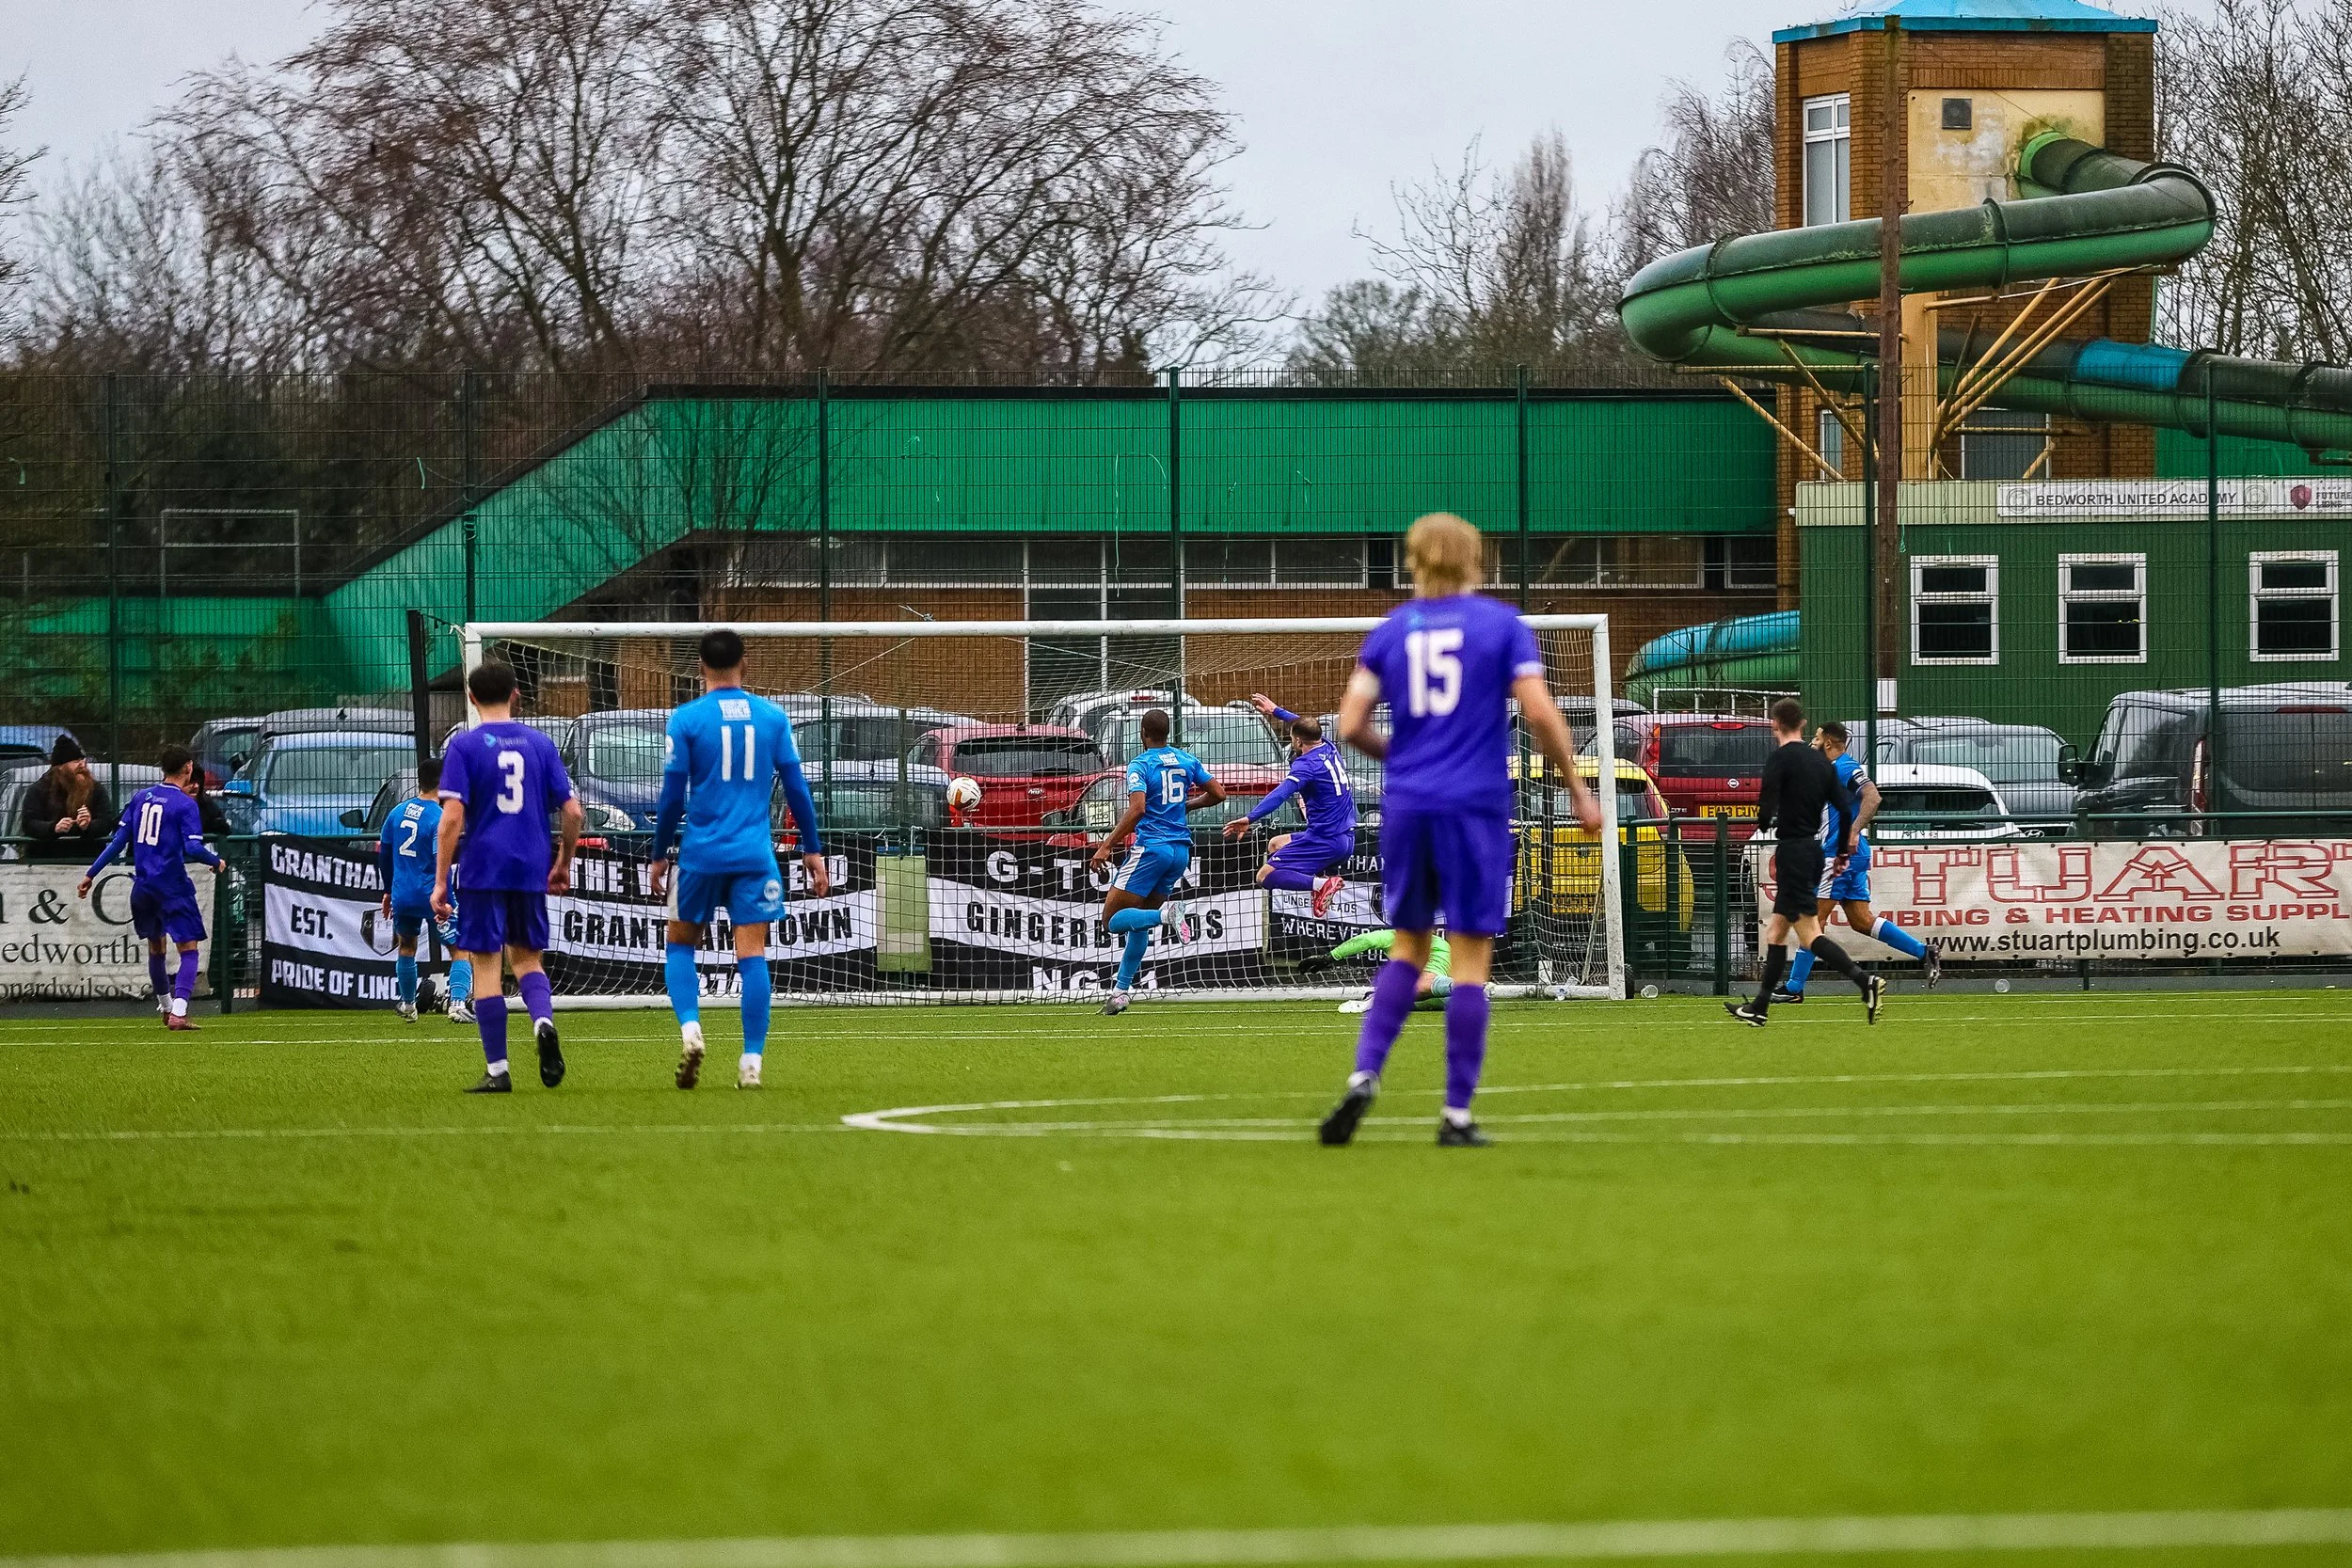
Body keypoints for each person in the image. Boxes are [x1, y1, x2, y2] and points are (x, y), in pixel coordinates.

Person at [1320, 513, 1601, 1148]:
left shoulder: (1391, 632)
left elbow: (1350, 722)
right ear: (1479, 559)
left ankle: (1366, 1074)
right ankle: (1455, 1114)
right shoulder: (1501, 625)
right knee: (1471, 959)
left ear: (1412, 559)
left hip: (1409, 805)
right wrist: (1577, 787)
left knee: (1408, 947)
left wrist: (1407, 760)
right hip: (1475, 803)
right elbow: (1539, 712)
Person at [650, 628, 829, 1091]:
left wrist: (657, 854)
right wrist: (812, 849)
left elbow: (671, 797)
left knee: (680, 945)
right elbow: (797, 789)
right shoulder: (772, 718)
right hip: (755, 855)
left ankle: (691, 1029)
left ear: (699, 669)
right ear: (744, 664)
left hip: (700, 856)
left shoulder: (686, 719)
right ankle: (751, 1061)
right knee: (752, 954)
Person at [433, 662, 584, 1094]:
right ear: (517, 694)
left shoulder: (464, 747)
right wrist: (563, 861)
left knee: (486, 964)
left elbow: (452, 819)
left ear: (472, 697)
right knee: (527, 960)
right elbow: (573, 811)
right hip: (529, 866)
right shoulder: (540, 743)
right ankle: (541, 1022)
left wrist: (441, 880)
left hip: (483, 868)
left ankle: (498, 1070)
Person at [1727, 700, 1883, 1027]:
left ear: (1774, 724)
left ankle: (1864, 982)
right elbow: (1843, 809)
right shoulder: (1821, 762)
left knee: (1809, 934)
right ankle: (1759, 1006)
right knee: (1777, 930)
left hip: (1793, 852)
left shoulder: (1780, 759)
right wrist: (1842, 852)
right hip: (1815, 851)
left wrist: (1768, 817)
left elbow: (1766, 813)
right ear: (1803, 723)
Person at [1773, 721, 1942, 1004]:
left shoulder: (1843, 767)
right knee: (1862, 921)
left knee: (1812, 920)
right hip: (1852, 855)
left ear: (1828, 743)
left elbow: (1873, 797)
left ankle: (1793, 988)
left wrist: (1852, 831)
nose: (1812, 743)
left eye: (1816, 739)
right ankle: (1925, 952)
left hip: (1838, 855)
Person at [1089, 707, 1225, 1016]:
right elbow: (1219, 793)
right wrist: (1184, 807)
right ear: (1167, 733)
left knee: (1112, 920)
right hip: (1179, 853)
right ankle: (1121, 993)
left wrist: (1106, 846)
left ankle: (1168, 915)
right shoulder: (1185, 759)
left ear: (1142, 733)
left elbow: (1137, 810)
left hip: (1152, 849)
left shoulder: (1139, 765)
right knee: (1138, 922)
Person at [76, 745, 223, 1031]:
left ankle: (166, 1009)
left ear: (162, 769)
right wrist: (216, 861)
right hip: (172, 887)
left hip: (143, 887)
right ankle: (179, 1012)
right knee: (189, 949)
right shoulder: (185, 804)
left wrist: (91, 874)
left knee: (156, 948)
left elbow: (118, 842)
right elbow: (193, 847)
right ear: (188, 769)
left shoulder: (140, 798)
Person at [1222, 695, 1357, 917]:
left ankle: (1320, 885)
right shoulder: (1328, 747)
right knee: (1275, 845)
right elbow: (1303, 725)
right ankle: (1318, 883)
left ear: (1297, 742)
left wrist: (1250, 818)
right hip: (1345, 837)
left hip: (1325, 840)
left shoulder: (1306, 765)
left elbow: (1281, 794)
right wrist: (1276, 710)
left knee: (1264, 876)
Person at [378, 757, 447, 1023]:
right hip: (431, 891)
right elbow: (439, 856)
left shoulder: (397, 812)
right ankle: (456, 1003)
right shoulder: (438, 816)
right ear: (442, 783)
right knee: (459, 947)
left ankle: (408, 1005)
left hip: (402, 893)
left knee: (406, 946)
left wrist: (387, 890)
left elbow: (384, 853)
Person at [24, 736, 120, 862]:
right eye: (75, 761)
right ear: (60, 767)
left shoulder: (96, 789)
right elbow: (29, 824)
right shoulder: (38, 790)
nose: (82, 765)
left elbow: (106, 822)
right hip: (47, 862)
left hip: (87, 861)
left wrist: (88, 826)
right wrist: (53, 828)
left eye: (82, 759)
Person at [1330, 927, 1452, 1013]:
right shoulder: (1394, 936)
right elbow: (1367, 940)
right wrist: (1332, 955)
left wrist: (1332, 956)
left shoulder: (1439, 945)